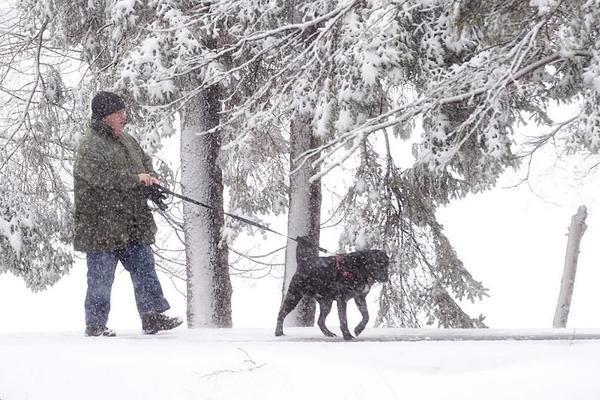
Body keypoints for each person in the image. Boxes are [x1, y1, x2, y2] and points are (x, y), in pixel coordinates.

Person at [73, 91, 182, 336]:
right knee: (101, 279)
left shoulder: (128, 141)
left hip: (133, 222)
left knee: (144, 268)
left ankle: (152, 317)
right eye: (119, 113)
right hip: (101, 226)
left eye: (123, 112)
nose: (124, 117)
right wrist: (135, 179)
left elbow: (144, 165)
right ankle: (96, 325)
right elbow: (100, 179)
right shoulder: (89, 146)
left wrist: (151, 182)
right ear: (105, 116)